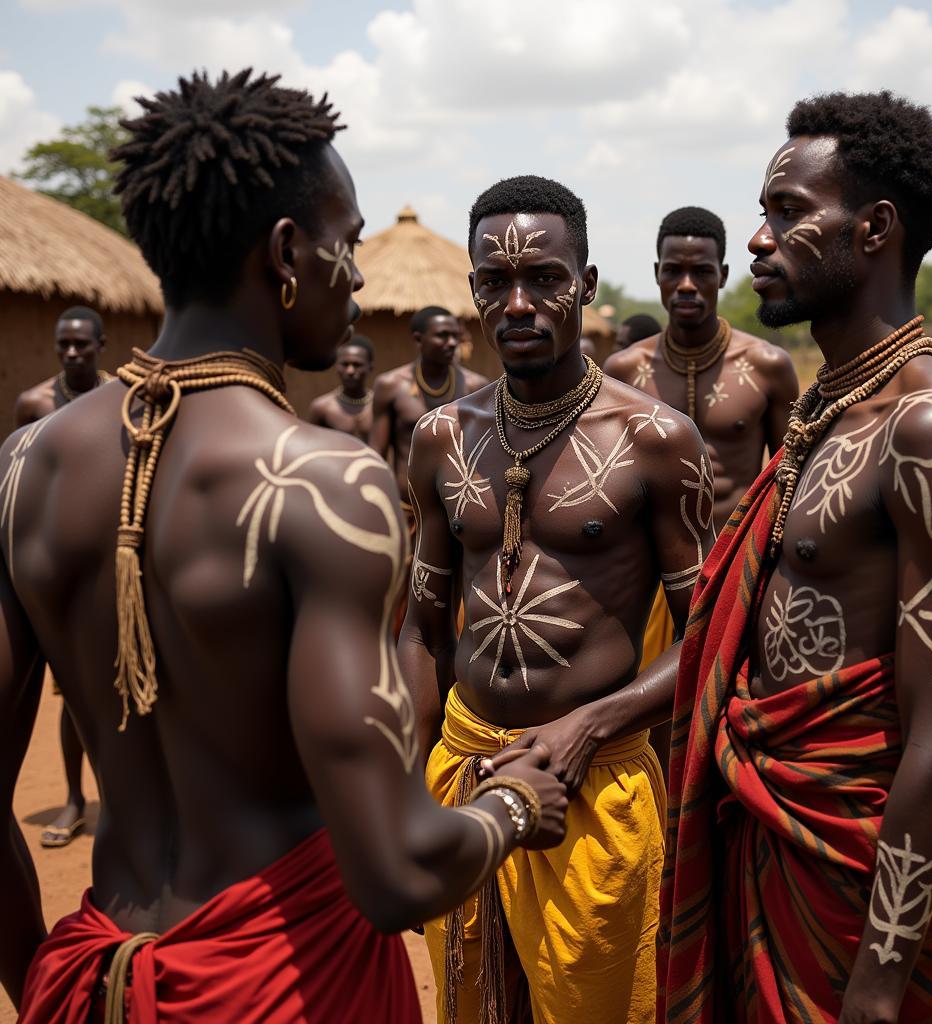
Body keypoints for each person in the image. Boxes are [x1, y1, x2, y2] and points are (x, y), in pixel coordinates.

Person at [0, 69, 568, 1023]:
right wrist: (513, 807)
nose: (358, 277)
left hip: (93, 972)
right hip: (292, 987)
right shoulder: (326, 484)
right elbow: (394, 873)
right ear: (287, 252)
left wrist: (47, 986)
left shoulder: (26, 468)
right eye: (347, 246)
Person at [661, 91, 932, 1024]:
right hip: (774, 831)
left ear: (877, 228)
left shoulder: (930, 429)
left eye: (788, 213)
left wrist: (881, 983)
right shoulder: (821, 410)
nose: (760, 240)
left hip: (858, 884)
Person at [402, 174, 714, 1024]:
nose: (519, 302)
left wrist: (590, 726)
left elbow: (713, 638)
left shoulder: (654, 441)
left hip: (595, 788)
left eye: (544, 278)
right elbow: (421, 631)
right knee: (471, 1002)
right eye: (495, 282)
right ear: (471, 292)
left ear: (585, 283)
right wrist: (407, 773)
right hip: (463, 777)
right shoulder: (439, 438)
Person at [605, 208, 799, 675]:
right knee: (645, 720)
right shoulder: (625, 372)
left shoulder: (767, 365)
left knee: (729, 712)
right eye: (674, 271)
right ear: (657, 275)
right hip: (644, 579)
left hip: (738, 569)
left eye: (702, 272)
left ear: (724, 275)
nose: (687, 284)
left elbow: (793, 478)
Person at [13, 305, 113, 849]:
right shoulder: (34, 404)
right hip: (56, 564)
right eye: (63, 345)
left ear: (101, 345)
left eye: (82, 344)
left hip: (114, 563)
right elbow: (20, 481)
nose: (72, 352)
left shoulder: (122, 399)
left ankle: (123, 802)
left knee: (121, 689)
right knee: (71, 691)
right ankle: (76, 800)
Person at [371, 307, 488, 633]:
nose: (452, 343)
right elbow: (376, 454)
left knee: (460, 598)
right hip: (405, 514)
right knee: (396, 599)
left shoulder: (475, 388)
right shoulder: (391, 386)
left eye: (456, 336)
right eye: (442, 336)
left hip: (460, 512)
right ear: (418, 340)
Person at [307, 334, 375, 442]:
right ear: (336, 366)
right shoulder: (322, 408)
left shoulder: (379, 407)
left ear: (370, 367)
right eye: (344, 364)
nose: (350, 371)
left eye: (357, 365)